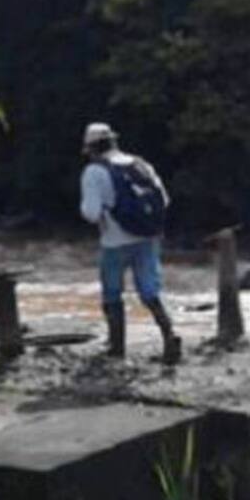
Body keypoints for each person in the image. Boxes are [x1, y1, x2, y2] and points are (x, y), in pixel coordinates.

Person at [79, 122, 181, 364]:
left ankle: (116, 348)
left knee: (112, 293)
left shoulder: (94, 172)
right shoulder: (141, 164)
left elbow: (91, 213)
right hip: (148, 237)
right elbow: (164, 200)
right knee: (150, 290)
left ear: (91, 148)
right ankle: (170, 334)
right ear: (114, 141)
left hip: (115, 241)